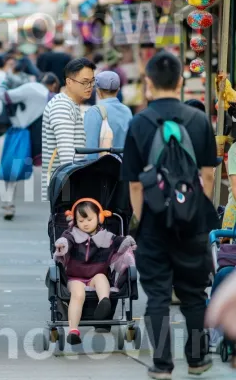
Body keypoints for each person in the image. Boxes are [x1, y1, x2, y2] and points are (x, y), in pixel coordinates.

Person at [121, 51, 217, 378]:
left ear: (148, 83)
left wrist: (143, 218)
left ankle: (162, 365)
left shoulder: (138, 123)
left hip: (152, 223)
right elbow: (207, 175)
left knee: (158, 295)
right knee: (194, 293)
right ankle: (197, 359)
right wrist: (194, 210)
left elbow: (134, 184)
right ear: (180, 82)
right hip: (193, 223)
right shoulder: (200, 120)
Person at [54, 199, 136, 346]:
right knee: (78, 294)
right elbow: (65, 241)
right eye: (81, 220)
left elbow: (119, 242)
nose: (85, 223)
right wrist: (61, 245)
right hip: (75, 278)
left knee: (101, 278)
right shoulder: (72, 235)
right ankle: (73, 330)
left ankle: (103, 302)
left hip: (95, 276)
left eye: (89, 219)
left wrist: (128, 241)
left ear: (99, 217)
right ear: (75, 220)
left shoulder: (105, 236)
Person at [41, 58, 94, 202]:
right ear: (69, 82)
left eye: (92, 81)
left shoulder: (69, 104)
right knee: (65, 224)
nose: (90, 86)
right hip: (66, 189)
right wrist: (74, 192)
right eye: (84, 82)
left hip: (66, 187)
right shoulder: (62, 107)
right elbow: (66, 154)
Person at [0, 79, 49, 219]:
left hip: (18, 135)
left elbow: (1, 94)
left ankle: (8, 202)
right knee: (12, 169)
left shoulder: (29, 90)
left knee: (11, 169)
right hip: (22, 135)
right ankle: (8, 202)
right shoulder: (41, 93)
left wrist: (4, 83)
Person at [83, 71, 133, 159]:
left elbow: (91, 152)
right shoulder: (127, 111)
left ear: (98, 91)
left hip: (103, 169)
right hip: (123, 167)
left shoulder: (94, 111)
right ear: (118, 89)